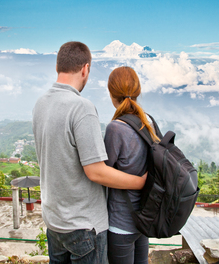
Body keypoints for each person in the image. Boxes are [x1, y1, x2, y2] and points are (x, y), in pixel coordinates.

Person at [32, 42, 147, 264]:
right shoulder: (81, 107)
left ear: (58, 66)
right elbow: (96, 172)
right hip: (84, 226)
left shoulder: (40, 103)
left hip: (54, 221)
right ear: (85, 69)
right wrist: (140, 183)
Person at [104, 66, 160, 264]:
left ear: (111, 94)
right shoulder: (149, 123)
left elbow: (104, 174)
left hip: (121, 223)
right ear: (138, 92)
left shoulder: (115, 128)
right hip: (143, 219)